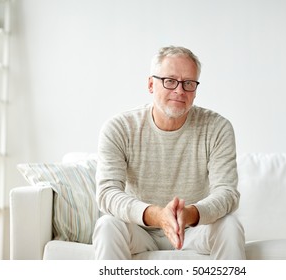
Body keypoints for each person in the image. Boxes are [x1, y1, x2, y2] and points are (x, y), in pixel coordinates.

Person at [93, 46, 246, 259]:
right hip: (139, 231)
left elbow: (227, 193)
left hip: (194, 230)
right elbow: (107, 193)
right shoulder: (119, 128)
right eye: (170, 81)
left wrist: (189, 214)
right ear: (150, 84)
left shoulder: (217, 128)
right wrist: (157, 216)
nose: (180, 90)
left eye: (188, 83)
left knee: (229, 225)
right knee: (107, 224)